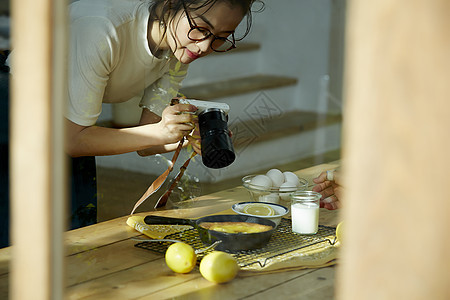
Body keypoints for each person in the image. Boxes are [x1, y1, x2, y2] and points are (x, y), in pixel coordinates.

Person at [65, 0, 262, 227]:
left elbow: (147, 144)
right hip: (22, 114)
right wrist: (160, 132)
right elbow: (73, 140)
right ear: (171, 4)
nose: (205, 47)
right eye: (201, 28)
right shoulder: (102, 29)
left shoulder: (177, 50)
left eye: (221, 37)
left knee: (75, 230)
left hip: (70, 133)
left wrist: (186, 136)